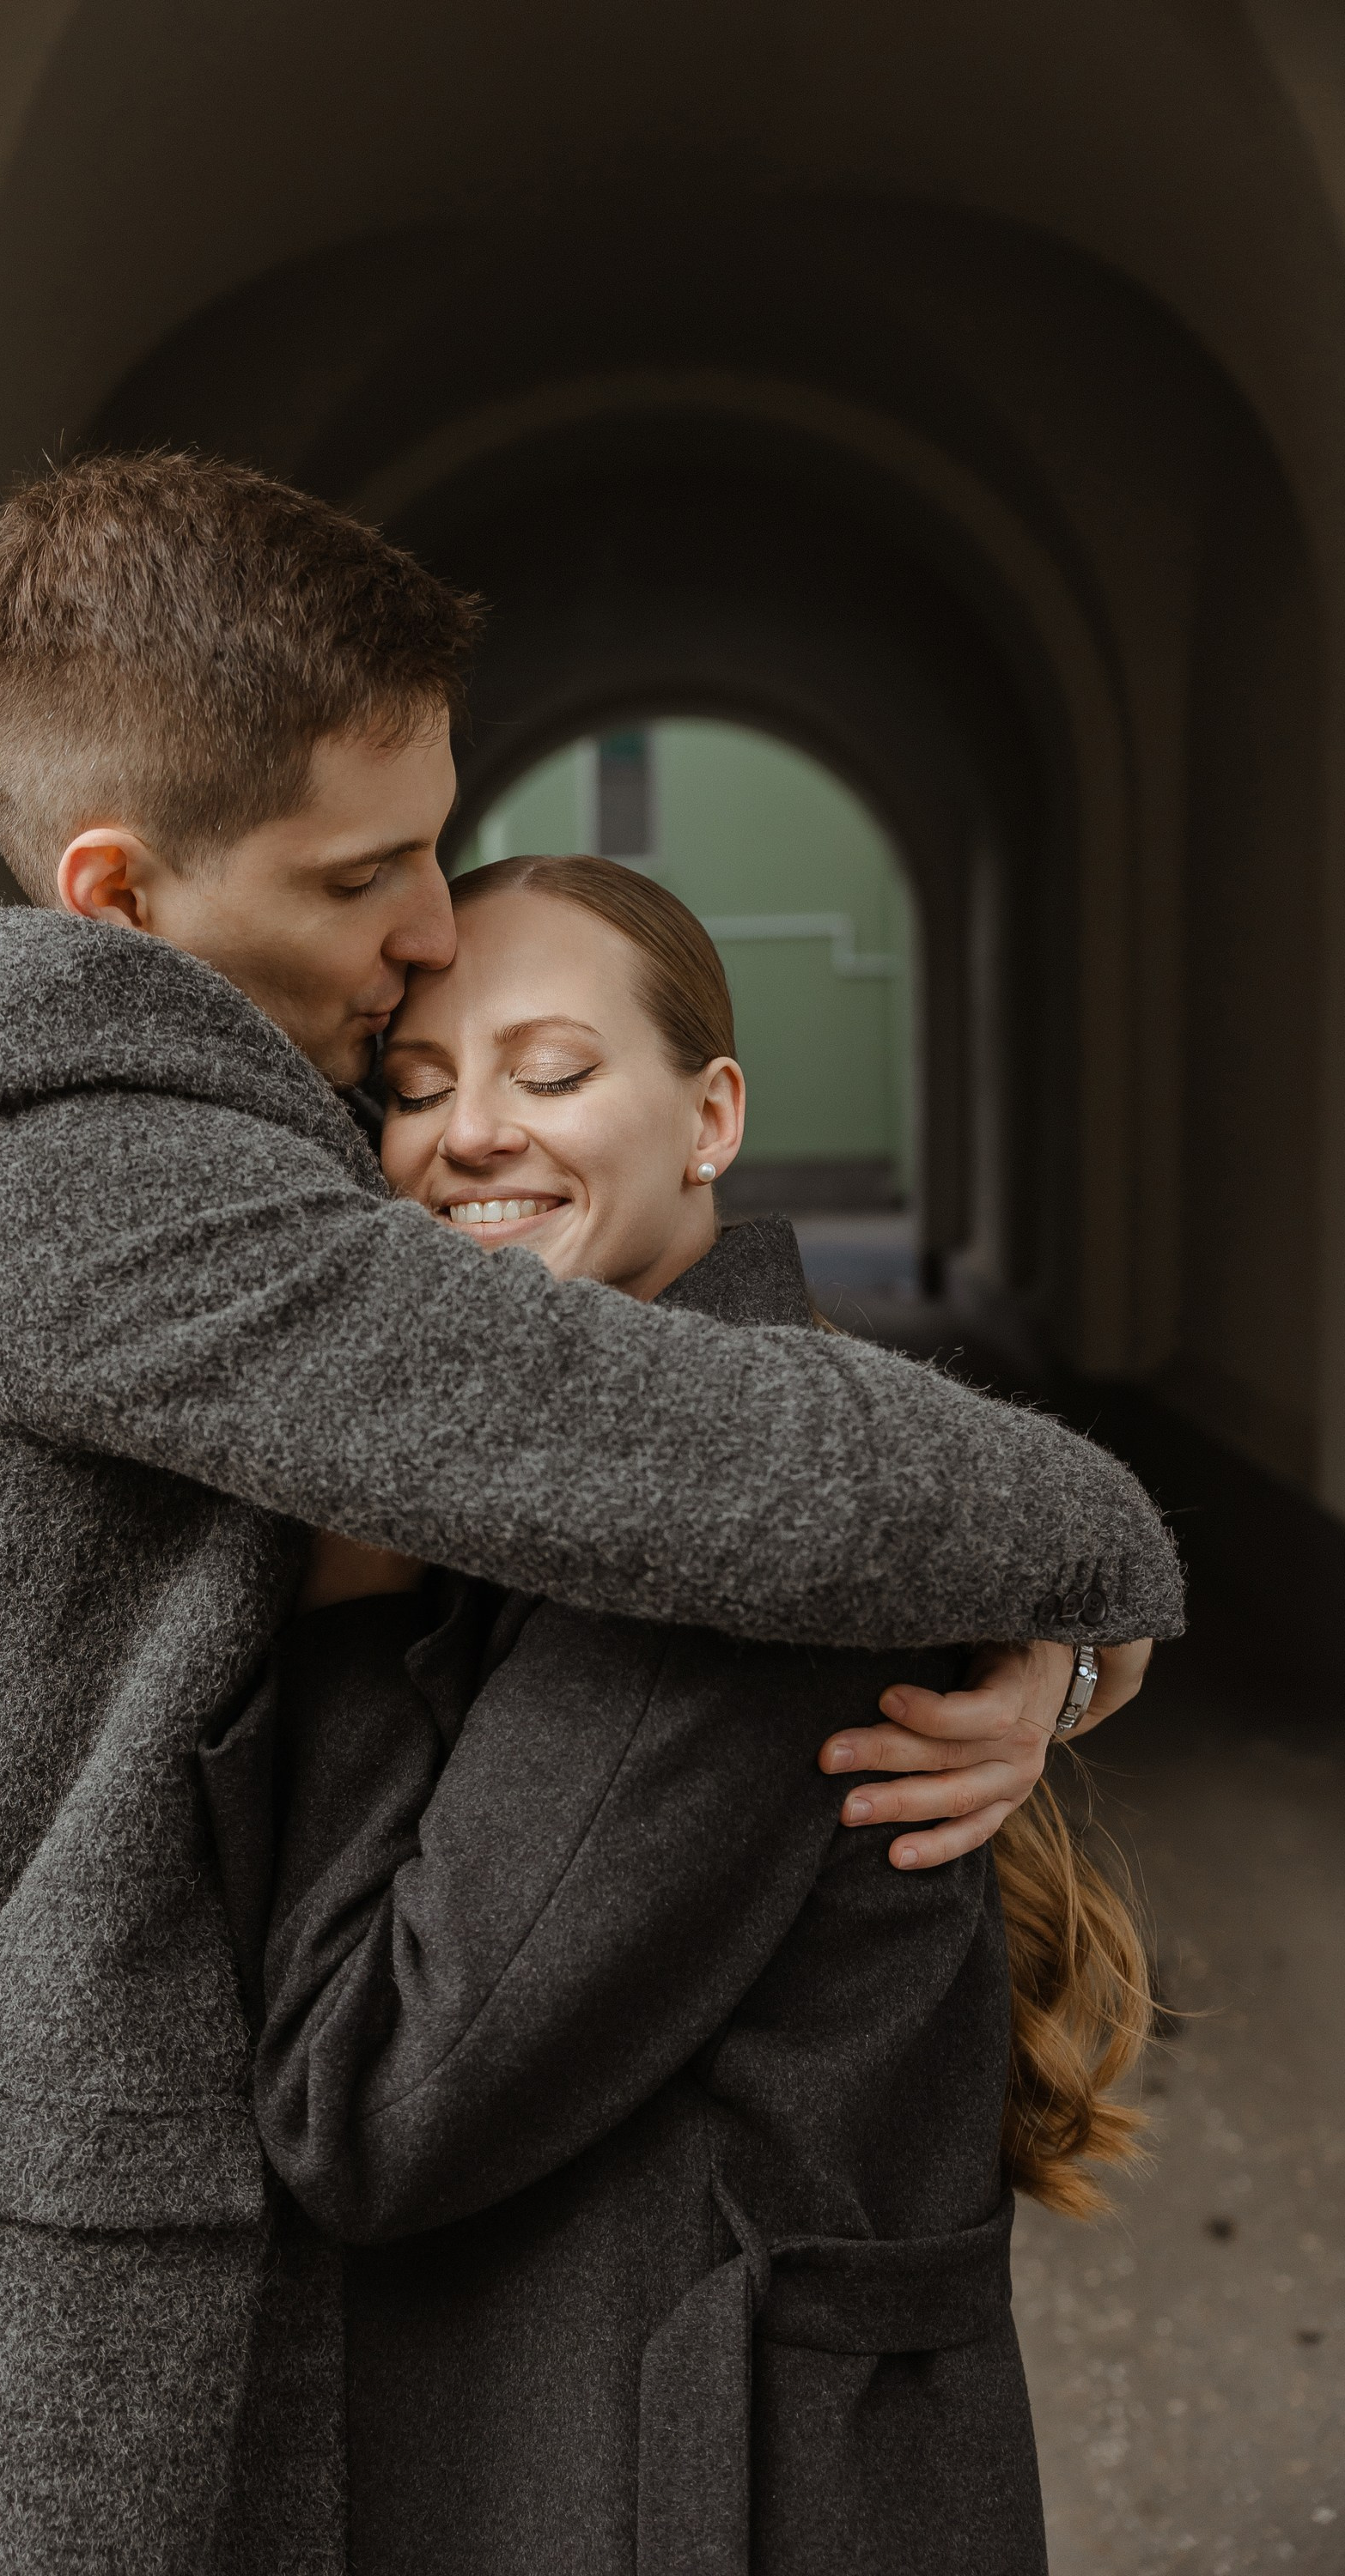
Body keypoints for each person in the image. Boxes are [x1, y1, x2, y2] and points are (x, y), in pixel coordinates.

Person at [0, 454, 1178, 2576]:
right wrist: (1102, 1555)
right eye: (366, 882)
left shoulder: (269, 1107)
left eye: (432, 846)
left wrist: (1056, 1644)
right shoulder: (92, 1187)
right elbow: (670, 1448)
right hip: (86, 2288)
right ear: (117, 898)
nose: (426, 934)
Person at [213, 856, 1153, 2576]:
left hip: (694, 2494)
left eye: (553, 1074)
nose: (467, 1136)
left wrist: (346, 1605)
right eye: (412, 1092)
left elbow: (370, 2109)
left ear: (708, 1117)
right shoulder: (609, 1462)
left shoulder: (715, 1543)